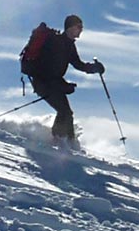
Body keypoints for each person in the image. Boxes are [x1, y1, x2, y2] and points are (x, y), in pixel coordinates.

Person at [28, 14, 104, 147]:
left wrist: (94, 68)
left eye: (82, 27)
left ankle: (67, 142)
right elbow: (47, 68)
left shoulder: (69, 46)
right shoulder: (56, 42)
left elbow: (78, 64)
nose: (81, 30)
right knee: (65, 112)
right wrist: (62, 85)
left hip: (52, 83)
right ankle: (61, 142)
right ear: (70, 28)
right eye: (79, 27)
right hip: (42, 82)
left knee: (66, 112)